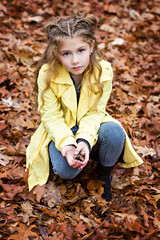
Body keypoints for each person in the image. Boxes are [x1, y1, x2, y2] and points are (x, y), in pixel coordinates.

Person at [26, 11, 143, 201]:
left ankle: (103, 172)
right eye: (66, 53)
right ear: (56, 53)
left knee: (115, 133)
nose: (75, 60)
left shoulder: (102, 71)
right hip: (61, 128)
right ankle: (75, 157)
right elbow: (51, 116)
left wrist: (85, 141)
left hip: (92, 123)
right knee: (65, 171)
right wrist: (67, 143)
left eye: (80, 50)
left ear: (91, 47)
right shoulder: (47, 73)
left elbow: (96, 112)